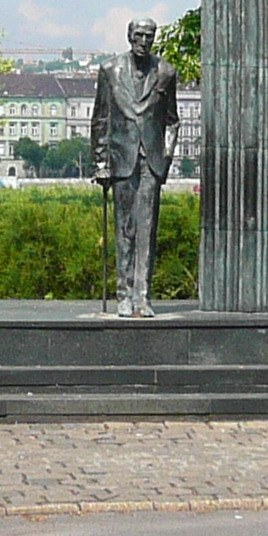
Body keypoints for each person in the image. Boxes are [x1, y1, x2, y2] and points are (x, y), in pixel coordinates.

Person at [87, 18, 180, 317]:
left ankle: (143, 296)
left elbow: (172, 121)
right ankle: (123, 296)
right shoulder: (110, 70)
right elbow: (100, 118)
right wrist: (100, 162)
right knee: (124, 230)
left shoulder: (166, 71)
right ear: (129, 36)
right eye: (138, 35)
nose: (143, 40)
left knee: (147, 231)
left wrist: (165, 158)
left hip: (150, 161)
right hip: (121, 160)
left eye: (149, 36)